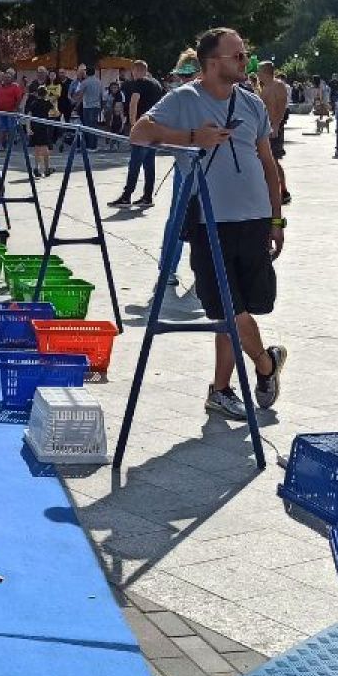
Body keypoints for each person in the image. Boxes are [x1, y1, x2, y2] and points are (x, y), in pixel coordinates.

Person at [129, 27, 287, 422]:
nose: (246, 61)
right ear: (213, 62)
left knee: (237, 308)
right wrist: (190, 137)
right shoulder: (184, 99)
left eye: (246, 54)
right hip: (209, 221)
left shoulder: (251, 103)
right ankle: (264, 364)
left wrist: (276, 218)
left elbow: (268, 164)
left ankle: (221, 389)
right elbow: (139, 133)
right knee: (227, 307)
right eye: (238, 55)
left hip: (254, 220)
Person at [109, 60, 165, 207]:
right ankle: (147, 196)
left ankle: (126, 196)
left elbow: (134, 102)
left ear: (135, 70)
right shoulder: (157, 84)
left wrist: (133, 125)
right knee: (149, 164)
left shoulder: (139, 83)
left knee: (134, 163)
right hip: (155, 126)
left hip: (142, 127)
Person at [255, 61, 292, 204]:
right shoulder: (264, 87)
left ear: (265, 71)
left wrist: (276, 125)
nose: (257, 74)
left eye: (259, 71)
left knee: (274, 159)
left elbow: (282, 106)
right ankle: (270, 190)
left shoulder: (278, 85)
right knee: (265, 159)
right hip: (265, 129)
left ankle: (284, 190)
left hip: (274, 128)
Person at [25, 81, 57, 177]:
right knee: (45, 148)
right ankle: (47, 168)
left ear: (37, 94)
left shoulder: (33, 103)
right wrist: (53, 104)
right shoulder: (47, 103)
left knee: (37, 148)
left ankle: (36, 167)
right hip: (44, 126)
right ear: (46, 94)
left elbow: (29, 115)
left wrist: (28, 128)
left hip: (35, 126)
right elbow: (56, 113)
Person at [71, 65, 105, 149]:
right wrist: (102, 106)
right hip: (97, 106)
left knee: (88, 126)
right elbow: (102, 95)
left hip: (87, 106)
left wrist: (76, 104)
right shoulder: (99, 82)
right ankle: (94, 145)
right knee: (94, 126)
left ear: (87, 73)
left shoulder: (85, 82)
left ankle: (90, 145)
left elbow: (80, 94)